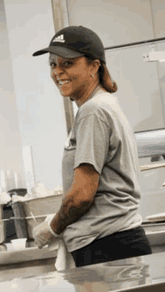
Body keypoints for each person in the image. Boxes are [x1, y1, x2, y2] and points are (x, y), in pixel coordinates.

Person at [32, 25, 152, 267]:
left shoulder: (93, 111)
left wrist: (52, 228)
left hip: (107, 247)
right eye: (53, 64)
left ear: (94, 66)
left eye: (68, 63)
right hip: (114, 243)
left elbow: (81, 196)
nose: (58, 72)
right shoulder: (105, 106)